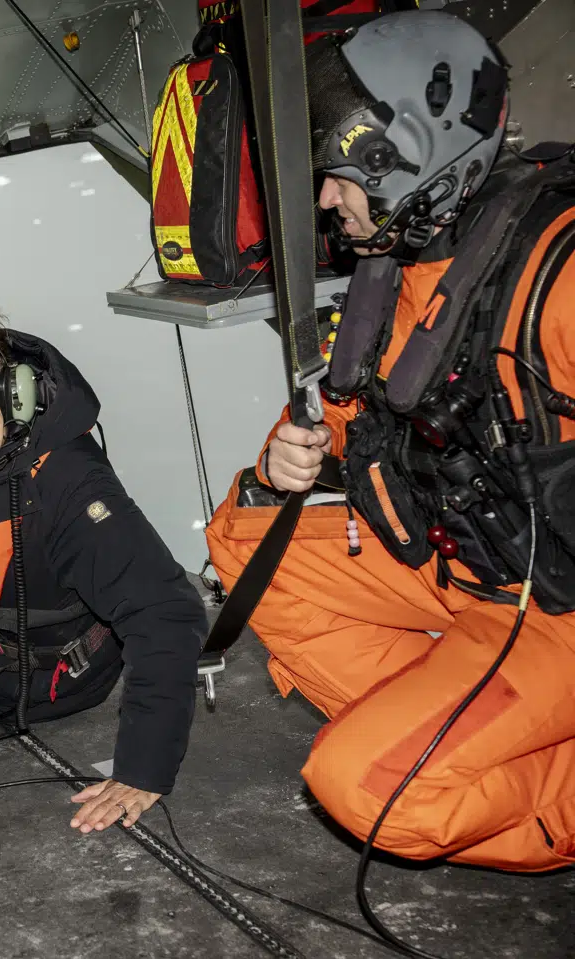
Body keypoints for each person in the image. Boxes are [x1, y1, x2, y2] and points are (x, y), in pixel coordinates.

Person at [205, 10, 575, 871]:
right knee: (242, 534)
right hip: (463, 576)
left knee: (365, 791)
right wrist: (279, 460)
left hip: (553, 612)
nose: (326, 200)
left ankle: (501, 768)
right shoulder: (397, 266)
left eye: (338, 177)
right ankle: (450, 725)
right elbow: (342, 415)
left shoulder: (555, 271)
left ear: (410, 155)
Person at [0, 297, 208, 833]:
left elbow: (167, 613)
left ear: (15, 396)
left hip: (58, 683)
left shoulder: (69, 478)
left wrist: (143, 770)